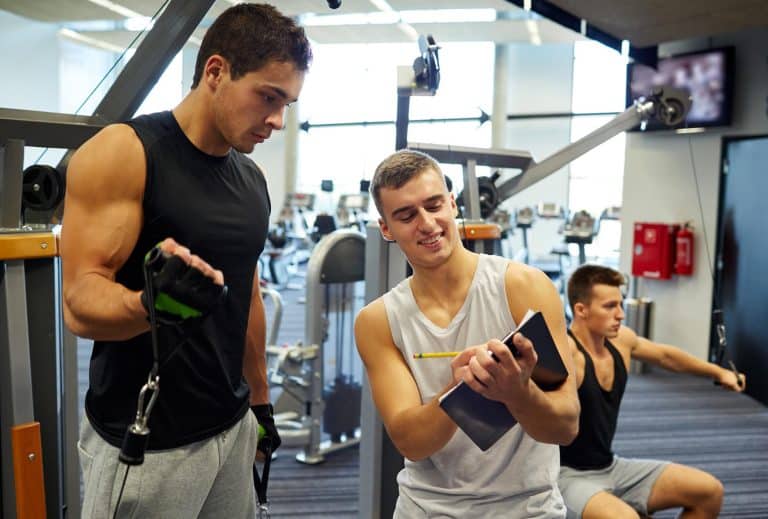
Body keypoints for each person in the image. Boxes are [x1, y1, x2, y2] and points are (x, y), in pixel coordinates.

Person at [60, 4, 311, 517]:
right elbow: (79, 303)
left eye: (287, 104)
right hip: (147, 442)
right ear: (216, 71)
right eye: (268, 97)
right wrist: (149, 306)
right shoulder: (125, 152)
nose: (278, 121)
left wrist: (260, 401)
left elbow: (247, 293)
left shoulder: (251, 179)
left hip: (231, 427)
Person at [355, 149, 580, 518]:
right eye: (407, 216)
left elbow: (565, 426)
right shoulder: (377, 320)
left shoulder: (523, 287)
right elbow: (411, 442)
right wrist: (457, 392)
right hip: (427, 508)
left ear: (452, 204)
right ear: (386, 229)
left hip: (526, 507)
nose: (427, 224)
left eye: (434, 205)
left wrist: (517, 391)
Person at [559, 264, 745, 519]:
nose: (620, 314)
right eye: (610, 306)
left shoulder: (621, 341)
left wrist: (718, 372)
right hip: (566, 476)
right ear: (581, 310)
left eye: (620, 304)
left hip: (610, 466)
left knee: (710, 492)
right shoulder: (566, 353)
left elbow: (666, 356)